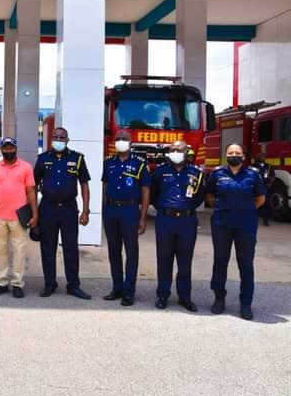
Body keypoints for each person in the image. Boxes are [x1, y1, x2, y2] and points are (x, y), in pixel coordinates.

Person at [207, 143, 266, 321]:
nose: (234, 155)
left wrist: (245, 211)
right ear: (226, 155)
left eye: (237, 153)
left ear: (243, 155)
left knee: (246, 263)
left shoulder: (252, 175)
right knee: (220, 261)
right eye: (231, 152)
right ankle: (219, 298)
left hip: (245, 225)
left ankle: (245, 303)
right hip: (222, 224)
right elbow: (210, 197)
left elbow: (260, 199)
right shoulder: (217, 174)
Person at [34, 127, 92, 300]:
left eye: (62, 137)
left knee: (71, 248)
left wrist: (86, 210)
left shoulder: (77, 158)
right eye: (56, 137)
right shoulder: (42, 159)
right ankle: (49, 284)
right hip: (47, 209)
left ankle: (73, 285)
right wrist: (34, 212)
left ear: (67, 140)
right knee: (48, 248)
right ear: (52, 138)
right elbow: (33, 185)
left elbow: (84, 185)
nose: (58, 139)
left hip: (68, 209)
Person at [150, 140, 206, 312]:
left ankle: (185, 297)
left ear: (186, 151)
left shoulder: (196, 173)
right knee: (164, 259)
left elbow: (200, 196)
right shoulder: (160, 172)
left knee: (185, 261)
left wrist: (185, 209)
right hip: (165, 220)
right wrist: (166, 209)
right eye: (172, 149)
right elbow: (154, 195)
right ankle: (162, 295)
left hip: (187, 222)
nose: (175, 152)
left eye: (179, 149)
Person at [101, 130, 151, 306]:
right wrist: (104, 210)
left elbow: (145, 191)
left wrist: (142, 218)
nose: (121, 141)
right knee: (114, 251)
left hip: (130, 210)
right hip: (111, 210)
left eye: (124, 139)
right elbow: (105, 186)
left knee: (131, 252)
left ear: (131, 142)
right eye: (118, 139)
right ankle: (117, 288)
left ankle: (129, 291)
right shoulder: (108, 163)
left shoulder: (140, 164)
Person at [0, 137, 38, 298]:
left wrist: (35, 214)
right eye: (5, 148)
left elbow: (31, 191)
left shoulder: (26, 167)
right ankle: (1, 282)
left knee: (19, 250)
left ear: (16, 148)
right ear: (1, 149)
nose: (8, 150)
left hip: (19, 217)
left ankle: (17, 284)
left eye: (11, 147)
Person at [252, 151, 275, 226]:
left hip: (265, 186)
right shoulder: (253, 166)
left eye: (264, 156)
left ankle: (266, 221)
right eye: (261, 156)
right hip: (256, 187)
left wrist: (270, 183)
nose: (263, 158)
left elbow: (273, 176)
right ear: (258, 157)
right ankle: (252, 220)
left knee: (266, 204)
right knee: (255, 203)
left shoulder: (269, 166)